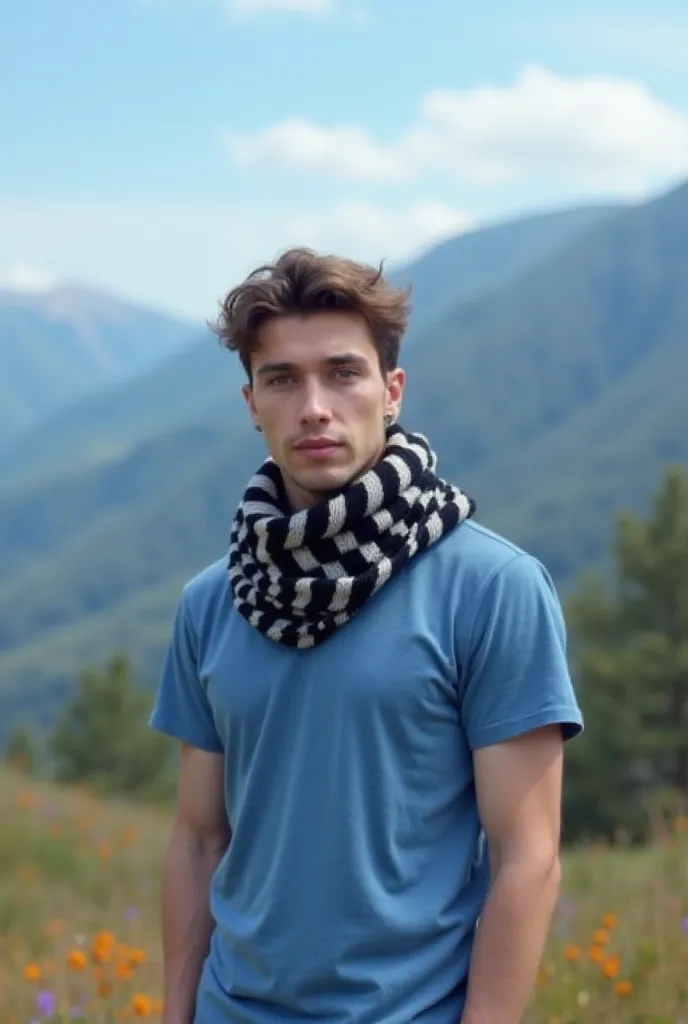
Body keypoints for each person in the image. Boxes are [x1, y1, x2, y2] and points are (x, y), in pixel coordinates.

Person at [149, 247, 584, 1024]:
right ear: (252, 402)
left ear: (391, 391)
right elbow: (197, 838)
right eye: (283, 379)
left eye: (343, 373)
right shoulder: (211, 603)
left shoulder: (492, 588)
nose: (314, 406)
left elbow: (528, 856)